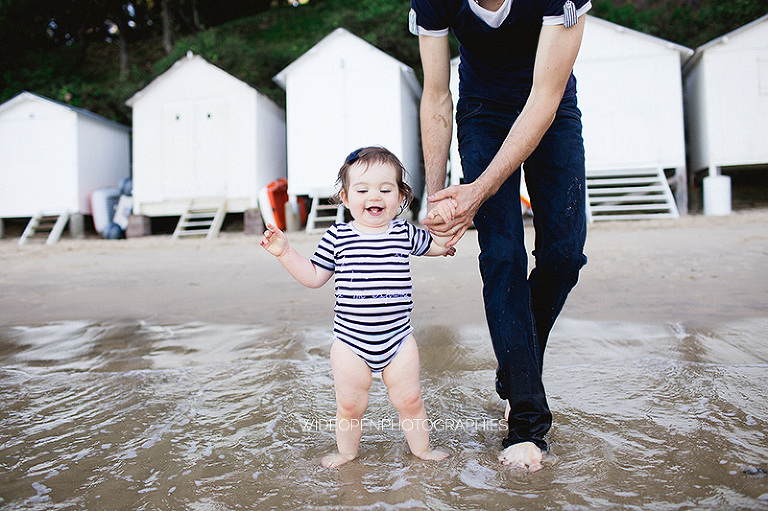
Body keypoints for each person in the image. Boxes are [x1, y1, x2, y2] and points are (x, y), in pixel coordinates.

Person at [411, 0, 591, 471]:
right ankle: (527, 423)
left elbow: (545, 98)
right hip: (482, 113)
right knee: (503, 256)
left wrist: (478, 193)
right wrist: (439, 198)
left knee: (564, 256)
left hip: (550, 108)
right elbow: (435, 94)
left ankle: (515, 371)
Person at [260, 146, 454, 468]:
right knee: (349, 405)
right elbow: (313, 276)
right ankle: (347, 453)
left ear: (401, 196)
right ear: (346, 198)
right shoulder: (338, 236)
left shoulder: (404, 233)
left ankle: (421, 449)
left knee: (410, 400)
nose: (374, 196)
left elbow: (435, 245)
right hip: (351, 342)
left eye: (385, 189)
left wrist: (447, 237)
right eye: (362, 190)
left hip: (398, 339)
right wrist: (284, 252)